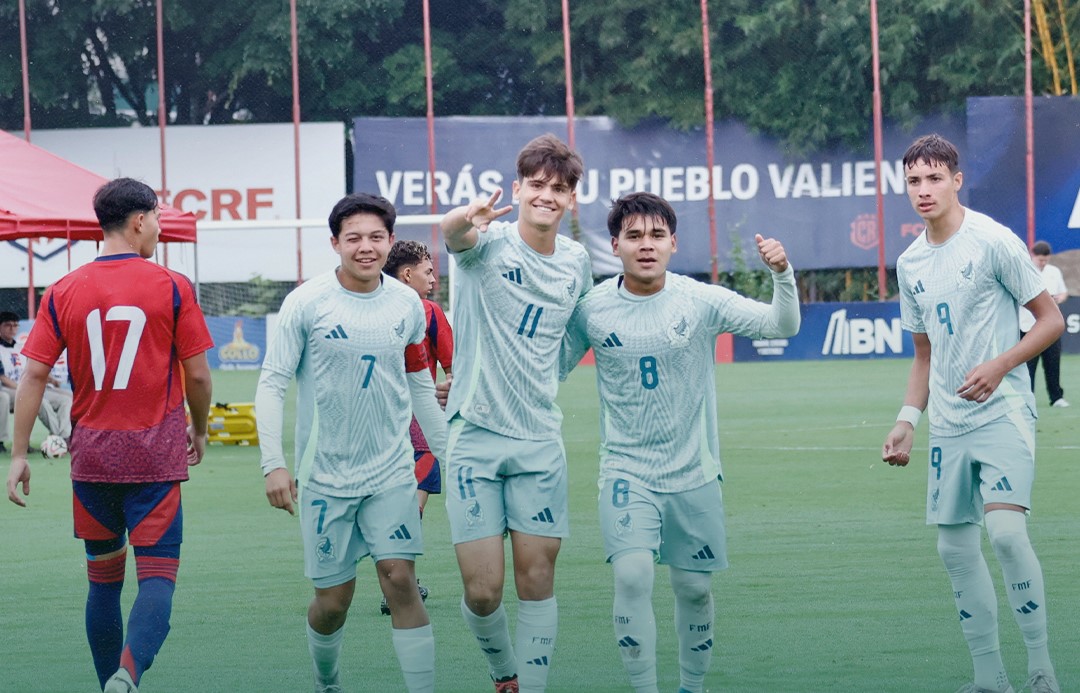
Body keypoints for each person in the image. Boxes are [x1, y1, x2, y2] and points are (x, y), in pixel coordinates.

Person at [558, 192, 800, 693]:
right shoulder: (592, 309)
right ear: (615, 246)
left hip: (694, 475)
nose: (646, 245)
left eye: (656, 235)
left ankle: (693, 687)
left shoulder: (701, 299)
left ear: (673, 242)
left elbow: (783, 325)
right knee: (631, 577)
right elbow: (548, 368)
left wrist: (782, 274)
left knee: (693, 589)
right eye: (634, 236)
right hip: (626, 473)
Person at [5, 177, 214, 693]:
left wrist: (17, 455)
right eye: (159, 220)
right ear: (140, 220)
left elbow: (32, 376)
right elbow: (201, 375)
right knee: (158, 578)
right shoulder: (171, 285)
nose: (160, 230)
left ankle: (107, 682)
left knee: (103, 583)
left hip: (93, 460)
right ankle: (129, 674)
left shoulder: (63, 290)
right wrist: (201, 428)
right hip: (154, 457)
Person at [882, 135, 1063, 693]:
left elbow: (1051, 320)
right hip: (949, 428)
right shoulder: (909, 262)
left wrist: (1000, 363)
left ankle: (1041, 671)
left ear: (957, 180)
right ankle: (991, 679)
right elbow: (923, 354)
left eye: (935, 178)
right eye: (914, 181)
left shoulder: (993, 241)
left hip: (1004, 410)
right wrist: (908, 418)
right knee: (955, 548)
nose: (924, 190)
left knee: (1006, 534)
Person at [255, 193, 447, 693]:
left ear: (390, 241)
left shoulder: (408, 305)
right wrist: (273, 464)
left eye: (376, 237)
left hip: (390, 472)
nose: (366, 247)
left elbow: (421, 385)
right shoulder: (306, 302)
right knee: (334, 600)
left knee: (400, 579)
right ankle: (327, 681)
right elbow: (272, 383)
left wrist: (449, 455)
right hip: (325, 476)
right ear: (335, 242)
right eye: (354, 238)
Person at [439, 133, 592, 693]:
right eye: (537, 185)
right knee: (482, 591)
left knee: (537, 577)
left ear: (572, 199)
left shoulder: (577, 262)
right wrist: (466, 215)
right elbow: (450, 234)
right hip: (475, 437)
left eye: (559, 188)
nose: (547, 196)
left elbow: (577, 333)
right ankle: (505, 672)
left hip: (538, 442)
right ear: (518, 189)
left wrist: (544, 378)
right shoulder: (487, 242)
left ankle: (531, 685)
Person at [381, 240, 453, 615]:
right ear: (407, 274)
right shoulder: (427, 312)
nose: (433, 280)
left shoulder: (373, 306)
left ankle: (398, 577)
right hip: (414, 421)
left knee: (400, 497)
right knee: (414, 495)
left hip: (377, 420)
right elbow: (453, 368)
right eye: (428, 272)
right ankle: (399, 579)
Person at [0, 310, 73, 450]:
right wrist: (24, 390)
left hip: (28, 388)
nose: (12, 328)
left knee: (66, 399)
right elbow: (2, 377)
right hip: (9, 389)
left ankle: (64, 437)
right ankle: (59, 441)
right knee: (38, 400)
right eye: (8, 325)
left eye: (15, 325)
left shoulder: (22, 347)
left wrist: (50, 380)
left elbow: (34, 370)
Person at [1019, 241, 1069, 408]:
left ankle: (1056, 397)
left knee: (1053, 364)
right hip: (1028, 326)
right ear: (1033, 255)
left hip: (1051, 326)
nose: (1043, 263)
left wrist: (1058, 298)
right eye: (1040, 260)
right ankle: (1027, 398)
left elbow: (1063, 292)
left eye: (1046, 260)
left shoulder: (1054, 271)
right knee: (1028, 367)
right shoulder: (1024, 271)